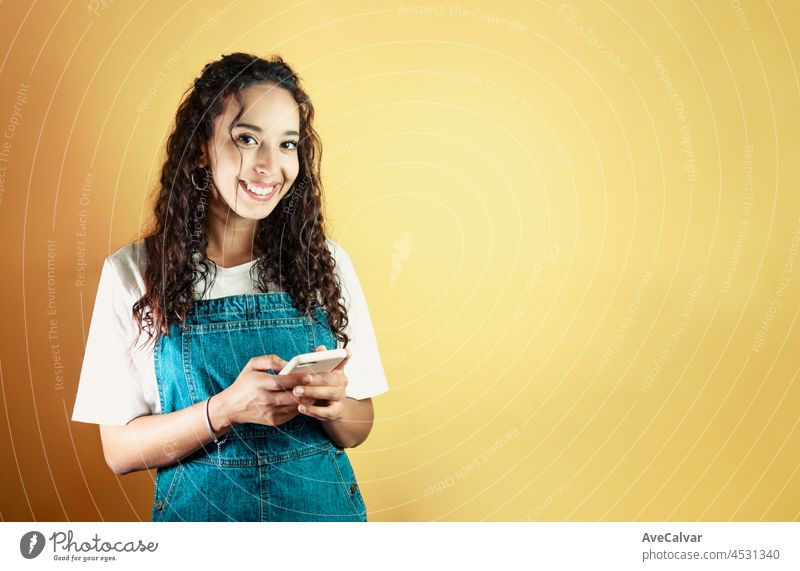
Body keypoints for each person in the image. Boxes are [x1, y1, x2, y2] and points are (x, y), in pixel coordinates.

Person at [71, 52, 389, 522]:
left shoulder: (326, 263)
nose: (269, 165)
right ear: (201, 146)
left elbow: (358, 429)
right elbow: (119, 451)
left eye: (287, 145)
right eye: (246, 139)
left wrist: (336, 404)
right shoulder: (133, 274)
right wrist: (223, 410)